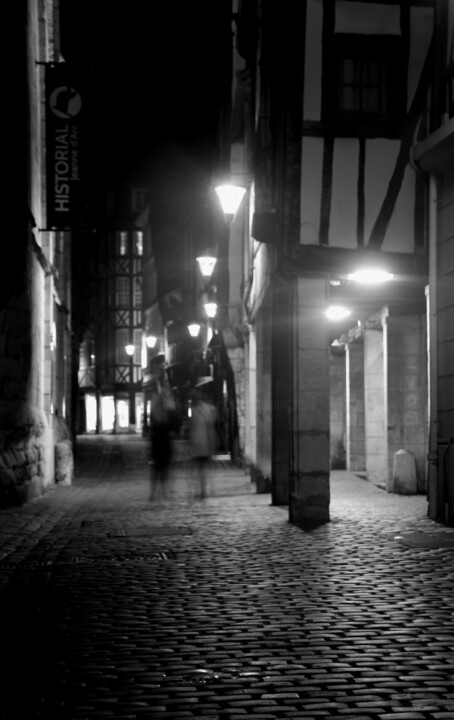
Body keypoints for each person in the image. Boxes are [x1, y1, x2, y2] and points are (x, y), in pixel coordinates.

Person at [148, 389, 180, 499]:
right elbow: (174, 425)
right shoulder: (168, 413)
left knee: (157, 469)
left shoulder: (155, 413)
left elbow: (151, 429)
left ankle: (154, 493)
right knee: (164, 469)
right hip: (164, 442)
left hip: (157, 443)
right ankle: (164, 492)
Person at [189, 382, 218, 499]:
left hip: (198, 443)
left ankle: (200, 490)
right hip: (206, 443)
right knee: (203, 469)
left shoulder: (195, 410)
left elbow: (193, 428)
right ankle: (203, 490)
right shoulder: (210, 409)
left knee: (198, 469)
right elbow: (212, 424)